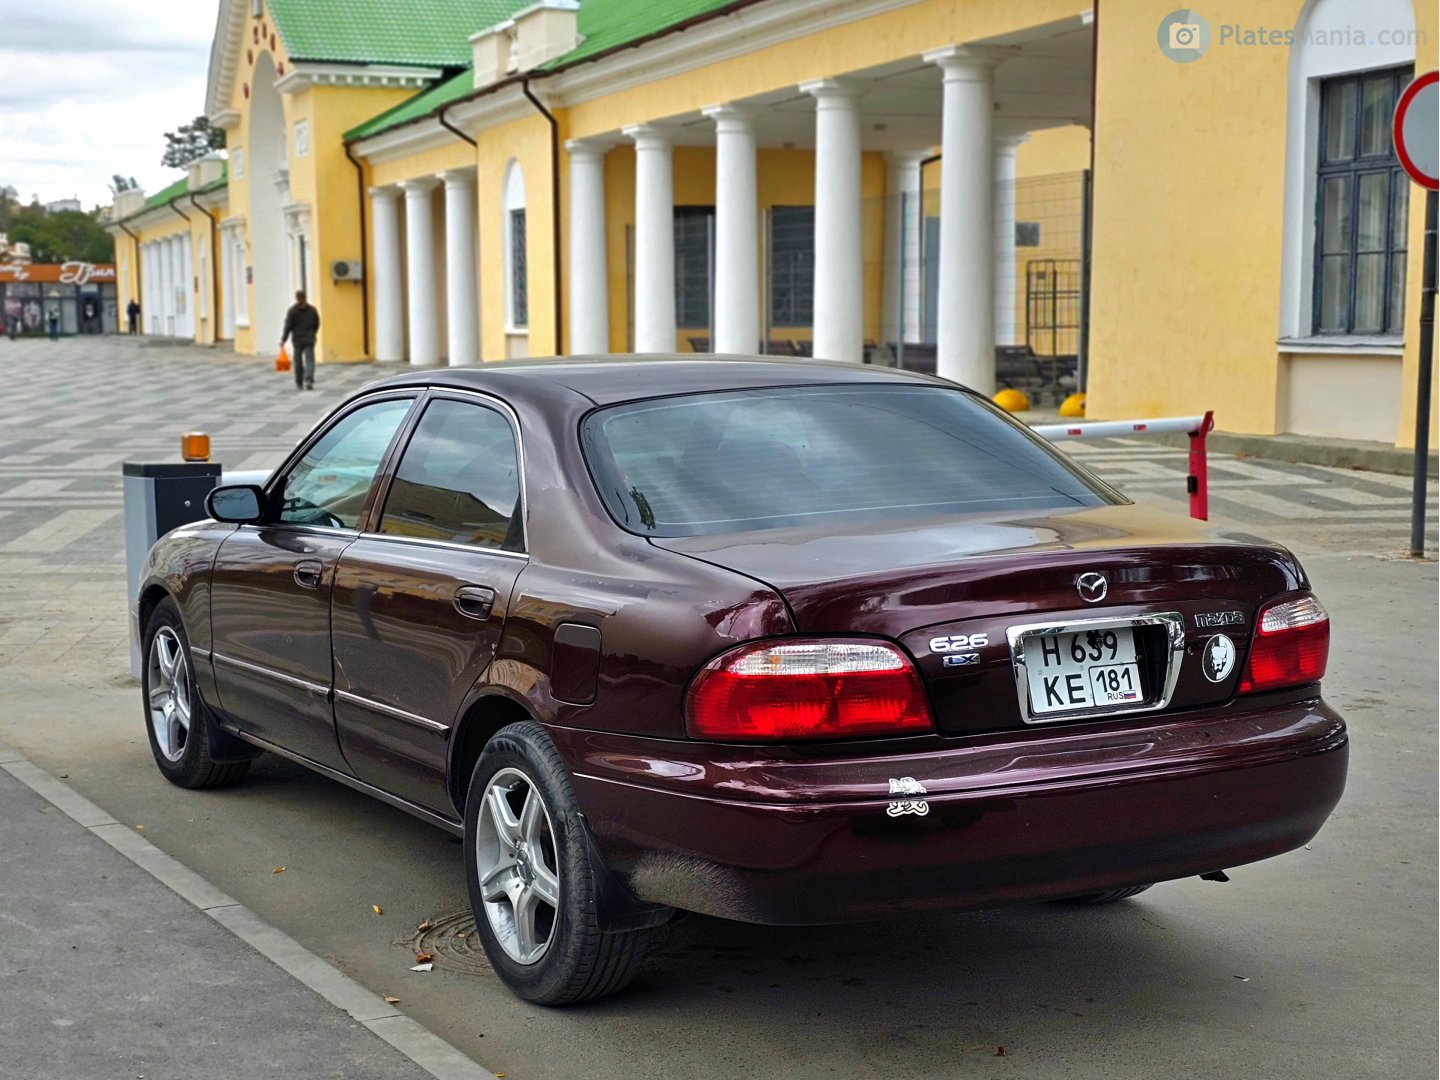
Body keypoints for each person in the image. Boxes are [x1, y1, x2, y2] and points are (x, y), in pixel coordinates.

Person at [280, 289, 320, 391]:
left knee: (298, 361)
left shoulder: (292, 311)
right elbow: (317, 324)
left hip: (298, 340)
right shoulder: (312, 310)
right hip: (309, 339)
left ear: (297, 298)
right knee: (309, 360)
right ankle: (309, 380)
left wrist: (283, 339)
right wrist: (312, 333)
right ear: (305, 297)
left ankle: (299, 381)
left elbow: (288, 326)